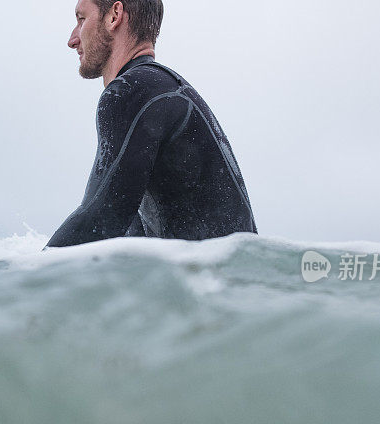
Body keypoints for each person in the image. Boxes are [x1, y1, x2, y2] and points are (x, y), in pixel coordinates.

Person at [47, 0, 258, 248]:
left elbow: (100, 218)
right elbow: (127, 232)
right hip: (229, 280)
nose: (72, 40)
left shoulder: (132, 91)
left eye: (81, 19)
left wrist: (22, 279)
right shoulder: (159, 90)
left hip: (215, 281)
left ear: (114, 15)